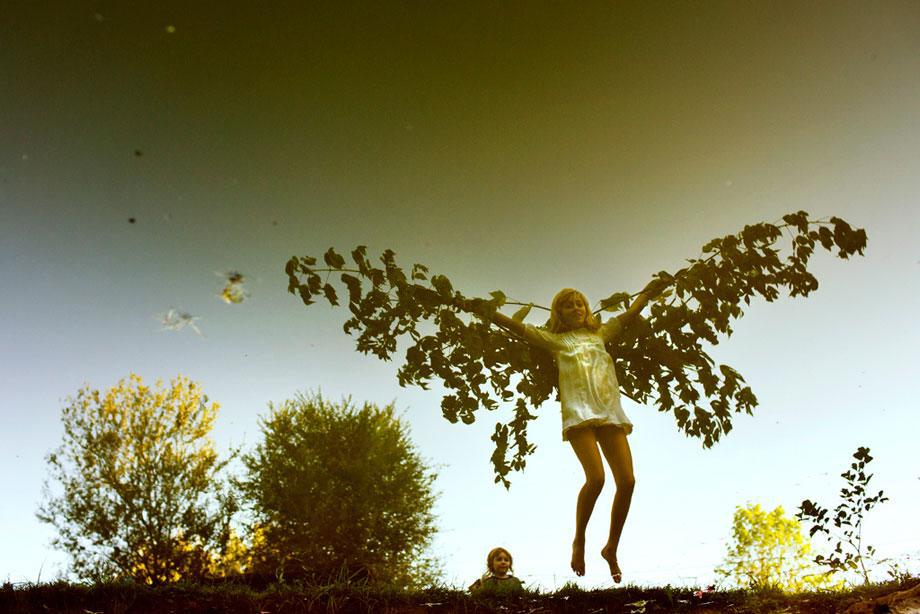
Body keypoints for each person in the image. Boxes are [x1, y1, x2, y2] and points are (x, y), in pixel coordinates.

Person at [477, 279, 667, 583]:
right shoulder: (555, 341)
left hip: (608, 411)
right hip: (579, 414)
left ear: (587, 309)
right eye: (568, 305)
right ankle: (579, 539)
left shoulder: (600, 333)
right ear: (559, 313)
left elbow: (629, 315)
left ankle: (611, 548)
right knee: (597, 478)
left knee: (628, 481)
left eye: (580, 303)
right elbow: (518, 329)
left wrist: (647, 293)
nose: (576, 308)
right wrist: (484, 310)